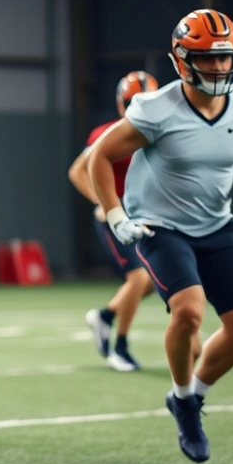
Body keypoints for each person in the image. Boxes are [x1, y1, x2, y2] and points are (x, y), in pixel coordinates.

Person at [88, 9, 233, 463]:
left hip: (216, 226)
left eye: (225, 58)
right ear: (181, 61)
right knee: (189, 311)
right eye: (207, 58)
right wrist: (116, 215)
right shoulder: (157, 109)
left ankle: (189, 398)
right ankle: (185, 397)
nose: (218, 67)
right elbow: (99, 158)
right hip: (160, 226)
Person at [69, 71, 159, 371]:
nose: (138, 108)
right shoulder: (109, 133)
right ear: (121, 104)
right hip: (116, 216)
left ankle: (105, 316)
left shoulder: (162, 132)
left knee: (154, 281)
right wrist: (102, 203)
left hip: (147, 216)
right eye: (133, 102)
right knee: (140, 278)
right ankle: (120, 347)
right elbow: (78, 171)